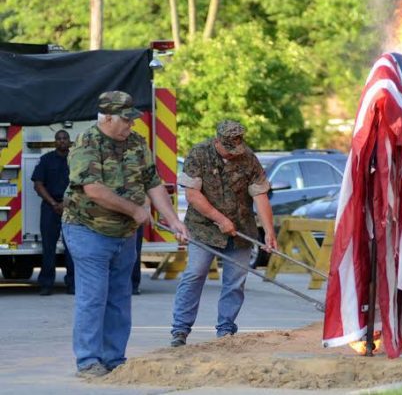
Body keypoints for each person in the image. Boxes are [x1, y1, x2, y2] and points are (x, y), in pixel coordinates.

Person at [62, 91, 188, 378]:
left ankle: (114, 358)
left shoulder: (136, 142)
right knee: (94, 297)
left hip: (125, 234)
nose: (131, 125)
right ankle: (88, 361)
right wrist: (135, 210)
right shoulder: (87, 143)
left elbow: (152, 183)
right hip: (88, 230)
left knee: (120, 297)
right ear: (107, 118)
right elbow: (93, 189)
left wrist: (174, 221)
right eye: (126, 120)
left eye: (133, 120)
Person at [170, 120, 278, 347]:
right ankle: (180, 330)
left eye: (236, 148)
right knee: (194, 274)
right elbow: (192, 195)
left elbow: (260, 195)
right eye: (228, 148)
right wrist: (220, 219)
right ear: (217, 141)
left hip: (240, 229)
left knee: (235, 282)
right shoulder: (199, 154)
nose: (233, 153)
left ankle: (226, 330)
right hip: (204, 228)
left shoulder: (248, 158)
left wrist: (269, 232)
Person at [32, 129, 75, 295]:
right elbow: (38, 185)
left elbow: (83, 184)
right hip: (50, 208)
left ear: (69, 141)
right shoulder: (46, 160)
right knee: (48, 248)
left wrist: (66, 203)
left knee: (72, 248)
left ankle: (73, 284)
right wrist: (54, 203)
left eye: (65, 138)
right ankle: (46, 284)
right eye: (59, 138)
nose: (62, 141)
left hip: (71, 208)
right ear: (55, 141)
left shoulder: (76, 159)